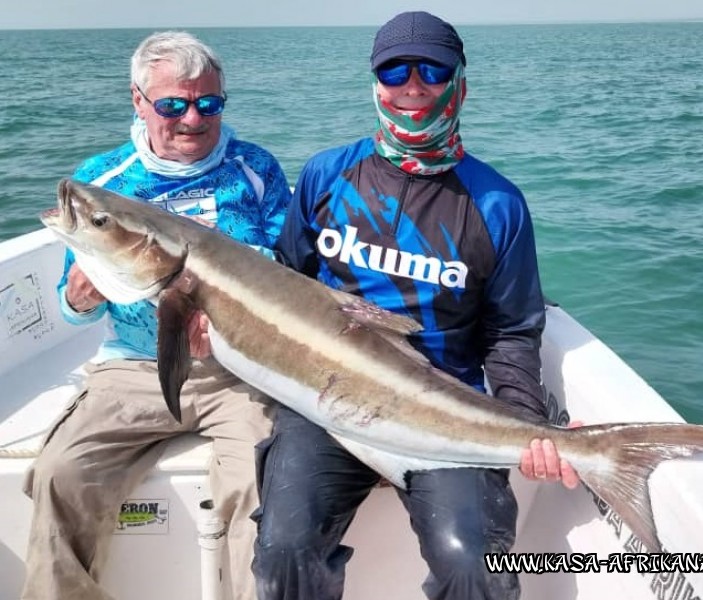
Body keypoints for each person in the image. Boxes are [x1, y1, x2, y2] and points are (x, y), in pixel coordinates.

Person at [251, 11, 578, 600]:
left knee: (476, 567)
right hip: (324, 399)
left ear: (459, 84)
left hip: (441, 409)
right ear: (376, 84)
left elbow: (511, 332)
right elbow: (285, 283)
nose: (412, 85)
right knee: (284, 550)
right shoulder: (327, 174)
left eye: (432, 69)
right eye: (394, 70)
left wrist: (528, 422)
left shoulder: (498, 204)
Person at [21, 31, 291, 600]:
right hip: (133, 369)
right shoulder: (105, 182)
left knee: (264, 486)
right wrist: (79, 299)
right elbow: (69, 312)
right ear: (138, 101)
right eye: (173, 104)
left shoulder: (256, 169)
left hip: (236, 373)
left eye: (208, 103)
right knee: (60, 475)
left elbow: (290, 272)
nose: (192, 118)